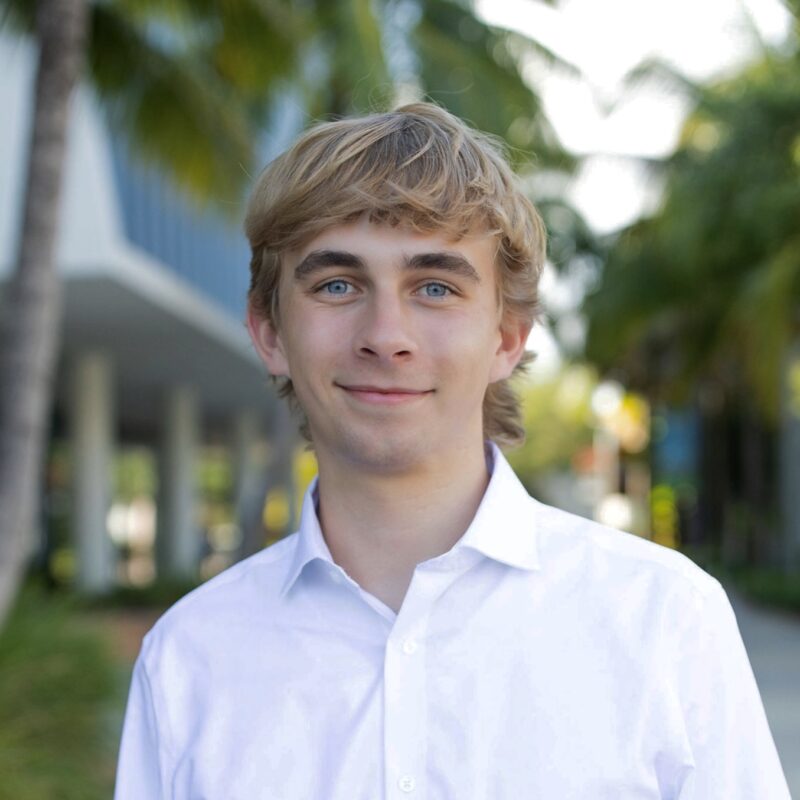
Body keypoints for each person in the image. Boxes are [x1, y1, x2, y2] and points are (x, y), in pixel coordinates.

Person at [114, 103, 791, 799]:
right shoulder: (188, 658)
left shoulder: (665, 620)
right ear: (270, 332)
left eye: (435, 287)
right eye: (337, 285)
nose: (386, 334)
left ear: (507, 337)